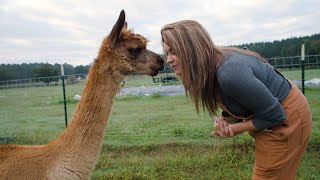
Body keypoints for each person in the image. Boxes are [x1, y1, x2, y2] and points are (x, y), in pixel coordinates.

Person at [160, 20, 312, 179]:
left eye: (174, 51)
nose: (169, 59)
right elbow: (243, 100)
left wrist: (234, 129)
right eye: (166, 53)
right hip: (275, 118)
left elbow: (275, 116)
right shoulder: (214, 63)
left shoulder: (229, 73)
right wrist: (228, 121)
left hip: (288, 121)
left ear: (192, 48)